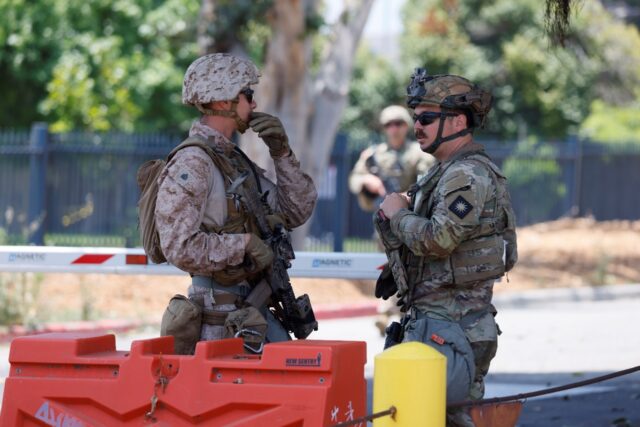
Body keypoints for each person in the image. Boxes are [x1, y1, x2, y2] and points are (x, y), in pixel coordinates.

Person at [374, 69, 518, 426]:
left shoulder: (464, 175)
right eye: (415, 118)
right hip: (440, 322)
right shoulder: (444, 172)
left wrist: (396, 214)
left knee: (443, 419)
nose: (416, 126)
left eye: (425, 118)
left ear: (455, 121)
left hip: (451, 325)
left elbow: (439, 239)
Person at [155, 53, 317, 352]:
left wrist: (281, 152)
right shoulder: (194, 162)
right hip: (219, 327)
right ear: (221, 101)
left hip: (250, 318)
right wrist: (242, 245)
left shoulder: (233, 160)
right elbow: (178, 246)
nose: (253, 105)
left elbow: (297, 210)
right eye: (248, 94)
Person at [348, 105, 435, 213]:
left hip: (413, 217)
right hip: (383, 219)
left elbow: (426, 186)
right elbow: (354, 179)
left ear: (406, 125)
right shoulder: (372, 154)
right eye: (388, 125)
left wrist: (401, 199)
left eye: (398, 123)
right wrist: (366, 180)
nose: (393, 129)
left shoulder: (420, 153)